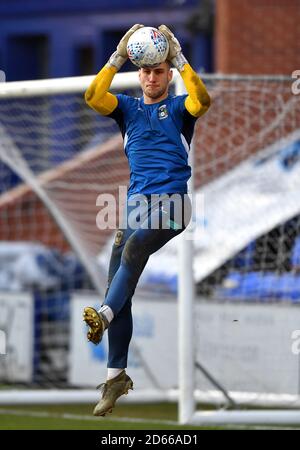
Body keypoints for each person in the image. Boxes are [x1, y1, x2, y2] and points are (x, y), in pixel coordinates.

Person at [83, 24, 211, 416]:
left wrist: (179, 56)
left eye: (159, 71)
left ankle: (102, 315)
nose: (152, 77)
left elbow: (201, 101)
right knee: (119, 279)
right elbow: (92, 97)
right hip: (137, 207)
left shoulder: (177, 108)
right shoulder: (126, 109)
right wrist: (118, 55)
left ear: (167, 74)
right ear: (139, 73)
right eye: (147, 71)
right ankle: (115, 375)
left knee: (134, 249)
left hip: (174, 205)